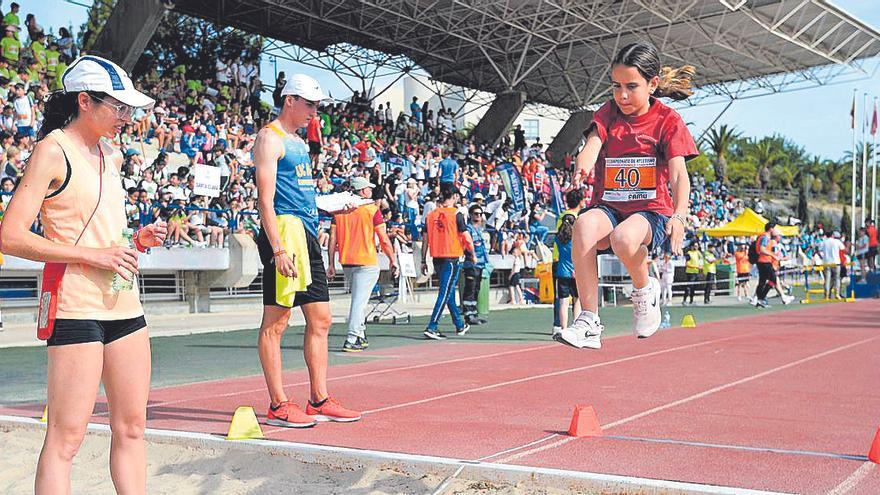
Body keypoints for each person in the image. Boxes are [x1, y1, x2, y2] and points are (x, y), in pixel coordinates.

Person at [0, 56, 164, 495]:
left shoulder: (109, 154)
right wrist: (94, 256)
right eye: (119, 108)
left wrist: (139, 240)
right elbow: (11, 236)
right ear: (85, 101)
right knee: (66, 438)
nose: (126, 118)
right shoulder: (52, 149)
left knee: (131, 428)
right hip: (74, 305)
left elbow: (105, 234)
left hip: (124, 304)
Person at [556, 41, 697, 349]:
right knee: (582, 225)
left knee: (623, 239)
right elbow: (593, 143)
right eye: (616, 86)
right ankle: (589, 321)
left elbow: (678, 175)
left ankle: (645, 288)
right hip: (609, 206)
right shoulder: (608, 113)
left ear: (653, 84)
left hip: (650, 212)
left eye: (631, 87)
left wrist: (679, 215)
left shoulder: (668, 121)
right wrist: (583, 163)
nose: (621, 95)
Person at [254, 73, 361, 428]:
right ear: (290, 101)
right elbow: (265, 201)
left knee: (321, 319)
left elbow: (301, 195)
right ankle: (278, 404)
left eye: (317, 106)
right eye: (310, 105)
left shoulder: (298, 143)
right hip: (285, 234)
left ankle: (318, 399)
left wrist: (331, 205)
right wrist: (278, 249)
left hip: (307, 232)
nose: (315, 113)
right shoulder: (270, 138)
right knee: (277, 322)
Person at [326, 176, 398, 352]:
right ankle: (352, 337)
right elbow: (384, 239)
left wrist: (331, 264)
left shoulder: (339, 211)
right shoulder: (372, 210)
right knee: (359, 303)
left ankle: (360, 334)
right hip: (366, 261)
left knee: (358, 300)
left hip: (347, 261)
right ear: (363, 191)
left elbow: (332, 239)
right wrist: (392, 259)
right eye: (369, 188)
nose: (371, 191)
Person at [421, 185, 475, 339]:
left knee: (448, 291)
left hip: (437, 256)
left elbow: (425, 239)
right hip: (452, 256)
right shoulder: (456, 214)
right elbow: (466, 237)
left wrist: (423, 259)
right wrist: (472, 253)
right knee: (445, 292)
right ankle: (432, 325)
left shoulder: (431, 215)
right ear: (454, 197)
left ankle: (459, 324)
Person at [552, 189, 584, 334]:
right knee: (576, 299)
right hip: (573, 266)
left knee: (561, 300)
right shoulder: (576, 218)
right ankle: (574, 327)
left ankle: (560, 326)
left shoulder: (561, 217)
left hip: (560, 263)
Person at [462, 203, 489, 326]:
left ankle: (474, 313)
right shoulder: (468, 229)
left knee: (476, 289)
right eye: (476, 214)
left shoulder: (479, 229)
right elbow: (467, 246)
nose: (478, 216)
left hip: (480, 264)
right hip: (471, 263)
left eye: (480, 214)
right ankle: (468, 315)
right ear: (471, 215)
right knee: (470, 289)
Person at [750, 221, 780, 308]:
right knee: (773, 280)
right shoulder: (765, 237)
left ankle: (760, 300)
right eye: (774, 228)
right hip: (764, 261)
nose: (775, 230)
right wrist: (772, 254)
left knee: (762, 281)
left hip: (762, 261)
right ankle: (761, 298)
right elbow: (762, 249)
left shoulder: (763, 236)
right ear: (771, 229)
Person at [820, 230, 845, 299]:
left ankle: (826, 295)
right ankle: (837, 294)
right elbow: (843, 248)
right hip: (836, 262)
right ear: (832, 235)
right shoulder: (836, 241)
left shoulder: (824, 242)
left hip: (826, 262)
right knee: (837, 278)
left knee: (827, 279)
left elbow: (820, 250)